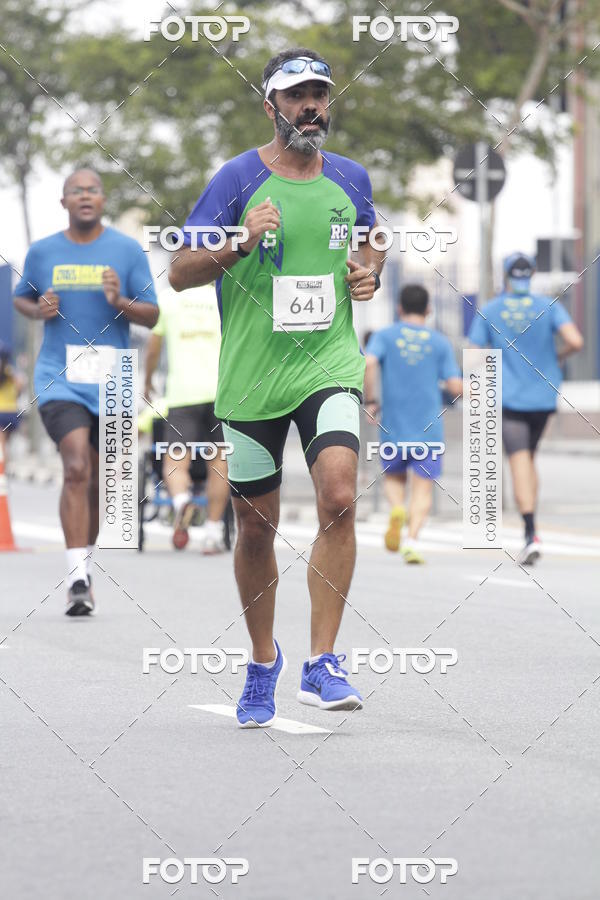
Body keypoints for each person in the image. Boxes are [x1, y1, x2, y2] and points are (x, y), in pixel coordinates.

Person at [169, 48, 385, 726]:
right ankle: (264, 660)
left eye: (318, 93)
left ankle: (323, 662)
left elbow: (371, 240)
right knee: (255, 527)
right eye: (296, 97)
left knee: (341, 496)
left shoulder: (351, 177)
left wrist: (369, 271)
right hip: (253, 377)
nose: (310, 106)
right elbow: (180, 271)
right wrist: (236, 242)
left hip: (327, 364)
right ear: (271, 107)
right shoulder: (235, 179)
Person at [14, 168, 158, 615]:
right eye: (75, 191)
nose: (85, 196)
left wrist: (120, 303)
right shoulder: (42, 252)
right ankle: (76, 577)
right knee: (76, 465)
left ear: (103, 199)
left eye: (92, 190)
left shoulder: (126, 250)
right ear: (64, 203)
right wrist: (38, 310)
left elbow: (152, 316)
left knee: (103, 481)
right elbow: (21, 296)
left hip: (113, 375)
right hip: (59, 373)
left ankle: (86, 563)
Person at [469, 252, 583, 565]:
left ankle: (530, 532)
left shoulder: (490, 309)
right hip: (544, 397)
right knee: (529, 458)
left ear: (505, 275)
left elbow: (476, 354)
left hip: (509, 398)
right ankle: (531, 524)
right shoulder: (548, 306)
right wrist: (555, 357)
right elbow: (576, 341)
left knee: (519, 461)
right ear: (530, 274)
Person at [364, 285, 462, 563]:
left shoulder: (384, 336)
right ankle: (411, 540)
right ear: (429, 309)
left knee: (394, 478)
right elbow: (454, 385)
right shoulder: (440, 342)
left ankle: (397, 509)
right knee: (423, 487)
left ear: (400, 308)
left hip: (393, 427)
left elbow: (369, 363)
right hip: (428, 431)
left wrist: (371, 400)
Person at [144, 284, 230, 552]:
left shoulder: (168, 300)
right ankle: (214, 532)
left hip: (183, 393)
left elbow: (153, 348)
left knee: (175, 460)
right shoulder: (223, 294)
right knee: (219, 461)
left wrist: (147, 381)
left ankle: (182, 502)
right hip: (221, 390)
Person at [0, 341, 23, 466]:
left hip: (1, 413)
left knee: (1, 444)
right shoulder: (10, 372)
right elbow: (20, 386)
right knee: (4, 443)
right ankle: (4, 470)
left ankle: (2, 473)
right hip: (12, 412)